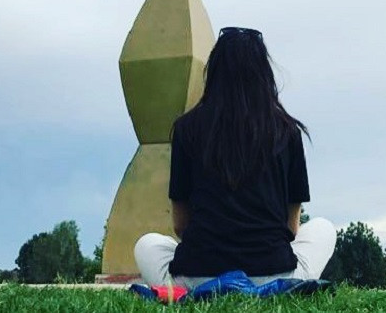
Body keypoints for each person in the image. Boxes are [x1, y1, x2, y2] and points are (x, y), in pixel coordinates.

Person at [135, 27, 336, 288]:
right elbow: (292, 229)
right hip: (273, 274)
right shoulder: (287, 132)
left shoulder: (186, 129)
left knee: (148, 244)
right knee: (322, 228)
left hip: (197, 277)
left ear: (213, 74)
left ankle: (203, 287)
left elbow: (181, 225)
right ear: (264, 74)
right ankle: (270, 288)